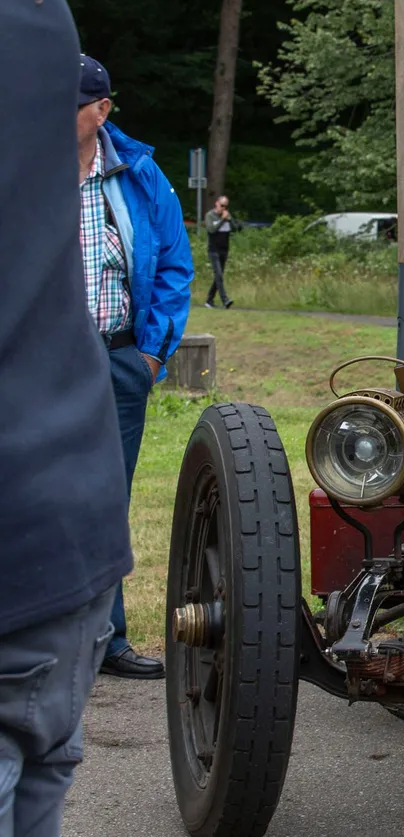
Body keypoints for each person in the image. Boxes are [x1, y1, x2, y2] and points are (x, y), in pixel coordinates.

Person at [1, 0, 134, 833]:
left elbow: (160, 254)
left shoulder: (129, 171)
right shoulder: (39, 14)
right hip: (67, 507)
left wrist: (150, 347)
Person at [78, 55, 195, 679]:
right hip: (37, 362)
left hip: (119, 357)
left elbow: (175, 264)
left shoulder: (138, 174)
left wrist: (150, 356)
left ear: (101, 110)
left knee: (106, 501)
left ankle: (106, 641)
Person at [204, 194, 241, 308]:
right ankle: (225, 300)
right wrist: (222, 220)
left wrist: (230, 219)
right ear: (216, 203)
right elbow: (211, 230)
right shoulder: (210, 216)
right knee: (218, 274)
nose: (223, 208)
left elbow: (237, 229)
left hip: (224, 249)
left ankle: (209, 300)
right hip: (213, 250)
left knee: (218, 277)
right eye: (222, 205)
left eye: (225, 206)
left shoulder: (227, 217)